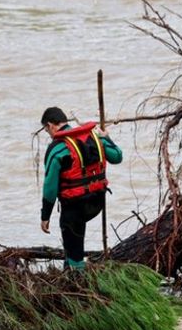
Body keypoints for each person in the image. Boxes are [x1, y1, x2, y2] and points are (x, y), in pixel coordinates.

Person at [39, 106, 123, 270]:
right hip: (97, 200)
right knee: (73, 244)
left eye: (47, 130)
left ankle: (77, 282)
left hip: (75, 206)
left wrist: (45, 215)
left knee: (74, 247)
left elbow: (50, 187)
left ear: (50, 125)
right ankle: (71, 266)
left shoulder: (57, 148)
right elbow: (117, 156)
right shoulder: (94, 137)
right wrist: (105, 138)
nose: (49, 135)